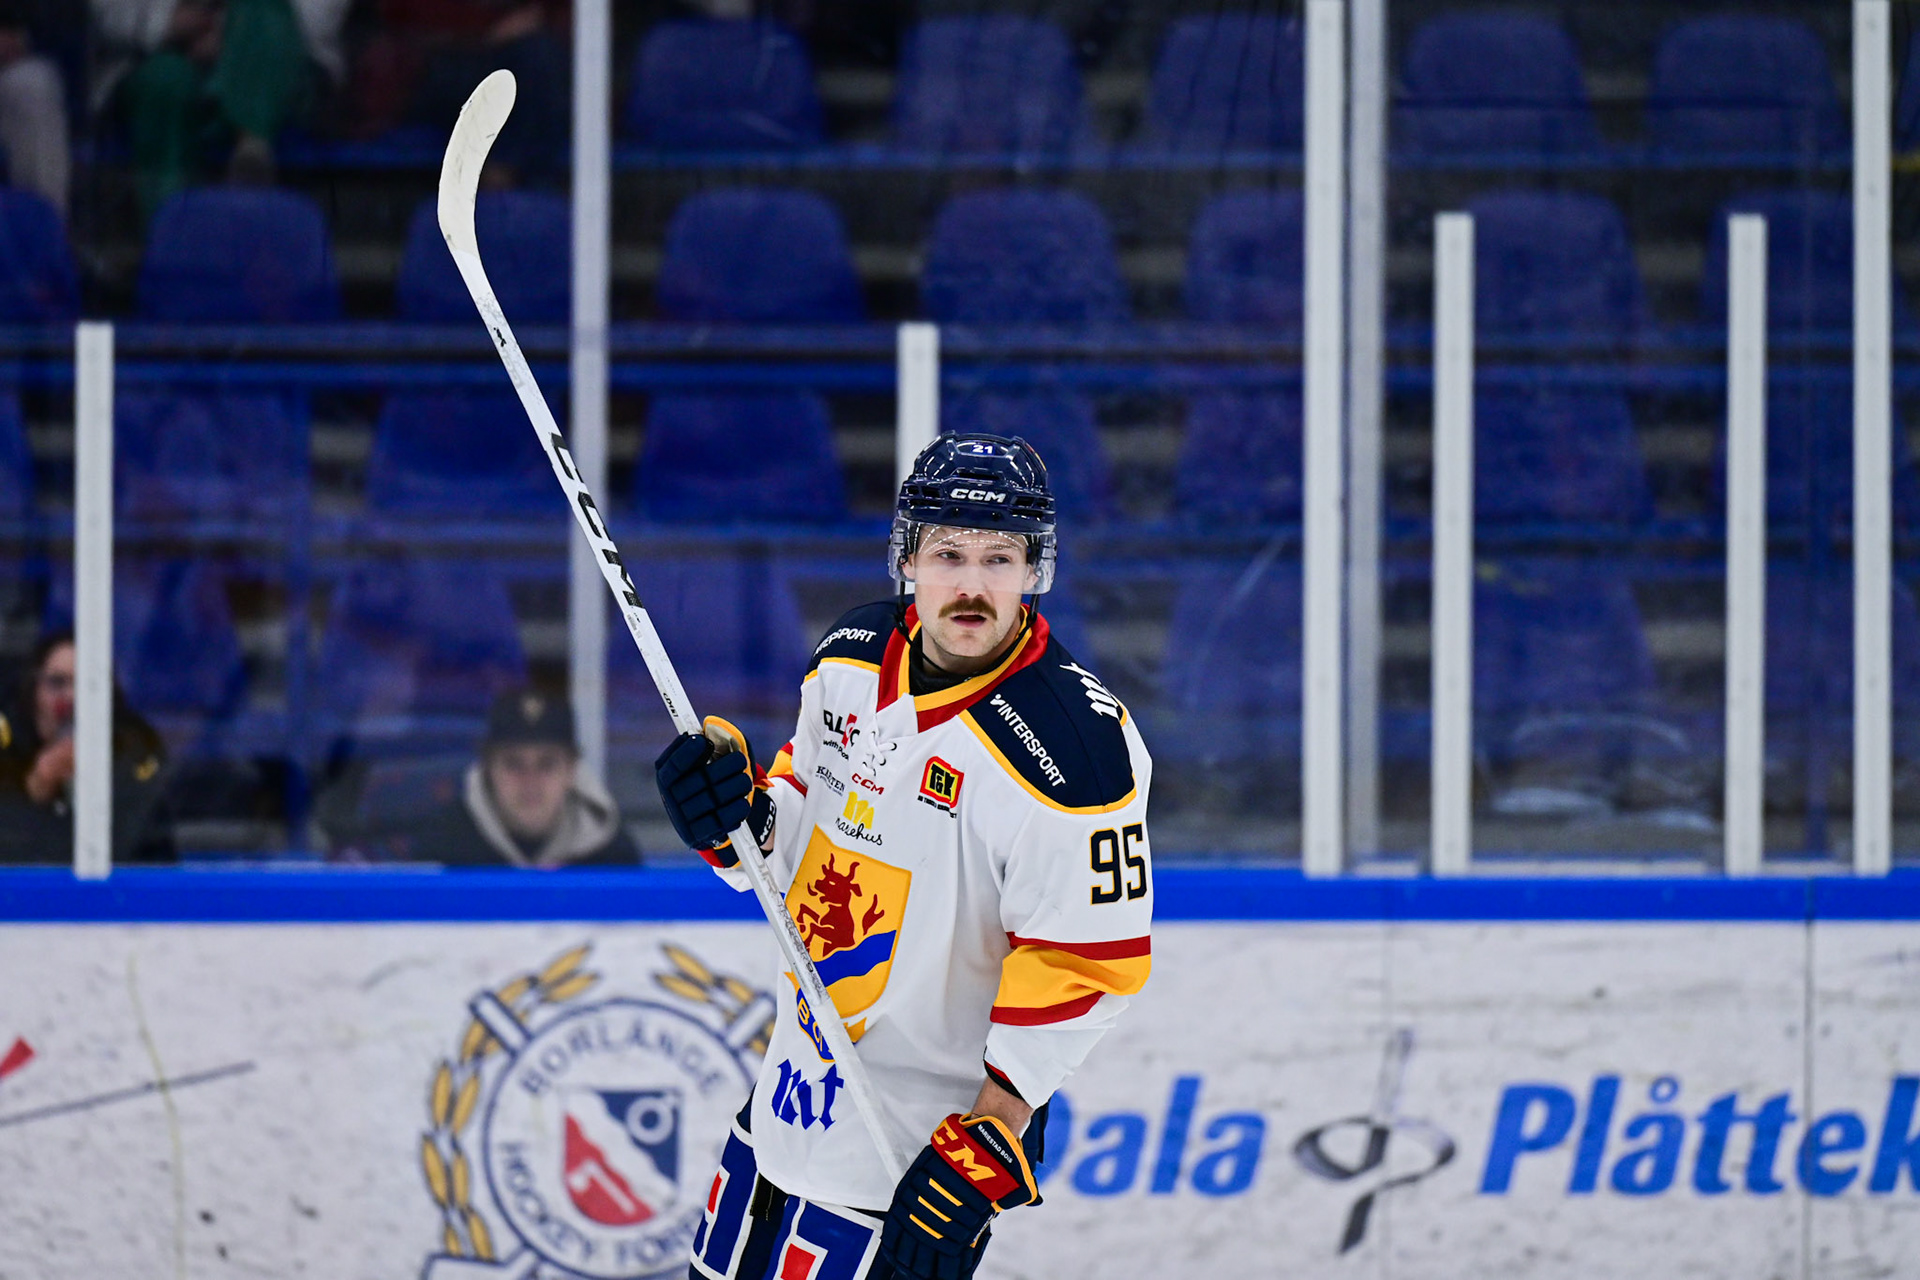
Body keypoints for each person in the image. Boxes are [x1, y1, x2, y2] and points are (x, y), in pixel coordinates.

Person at [657, 433, 1153, 1280]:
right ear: (908, 558)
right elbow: (800, 831)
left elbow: (1086, 965)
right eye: (949, 554)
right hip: (781, 1114)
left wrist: (994, 1133)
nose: (972, 585)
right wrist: (735, 820)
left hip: (904, 1167)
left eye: (999, 558)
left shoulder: (1077, 752)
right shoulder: (850, 654)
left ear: (1035, 570)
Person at [392, 688, 641, 868]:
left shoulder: (612, 854)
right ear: (488, 769)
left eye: (546, 764)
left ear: (571, 771)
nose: (530, 781)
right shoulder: (443, 846)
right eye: (513, 763)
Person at [0, 630, 174, 864]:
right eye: (57, 682)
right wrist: (35, 792)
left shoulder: (137, 752)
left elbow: (140, 851)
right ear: (32, 691)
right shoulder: (6, 751)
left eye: (87, 684)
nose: (71, 697)